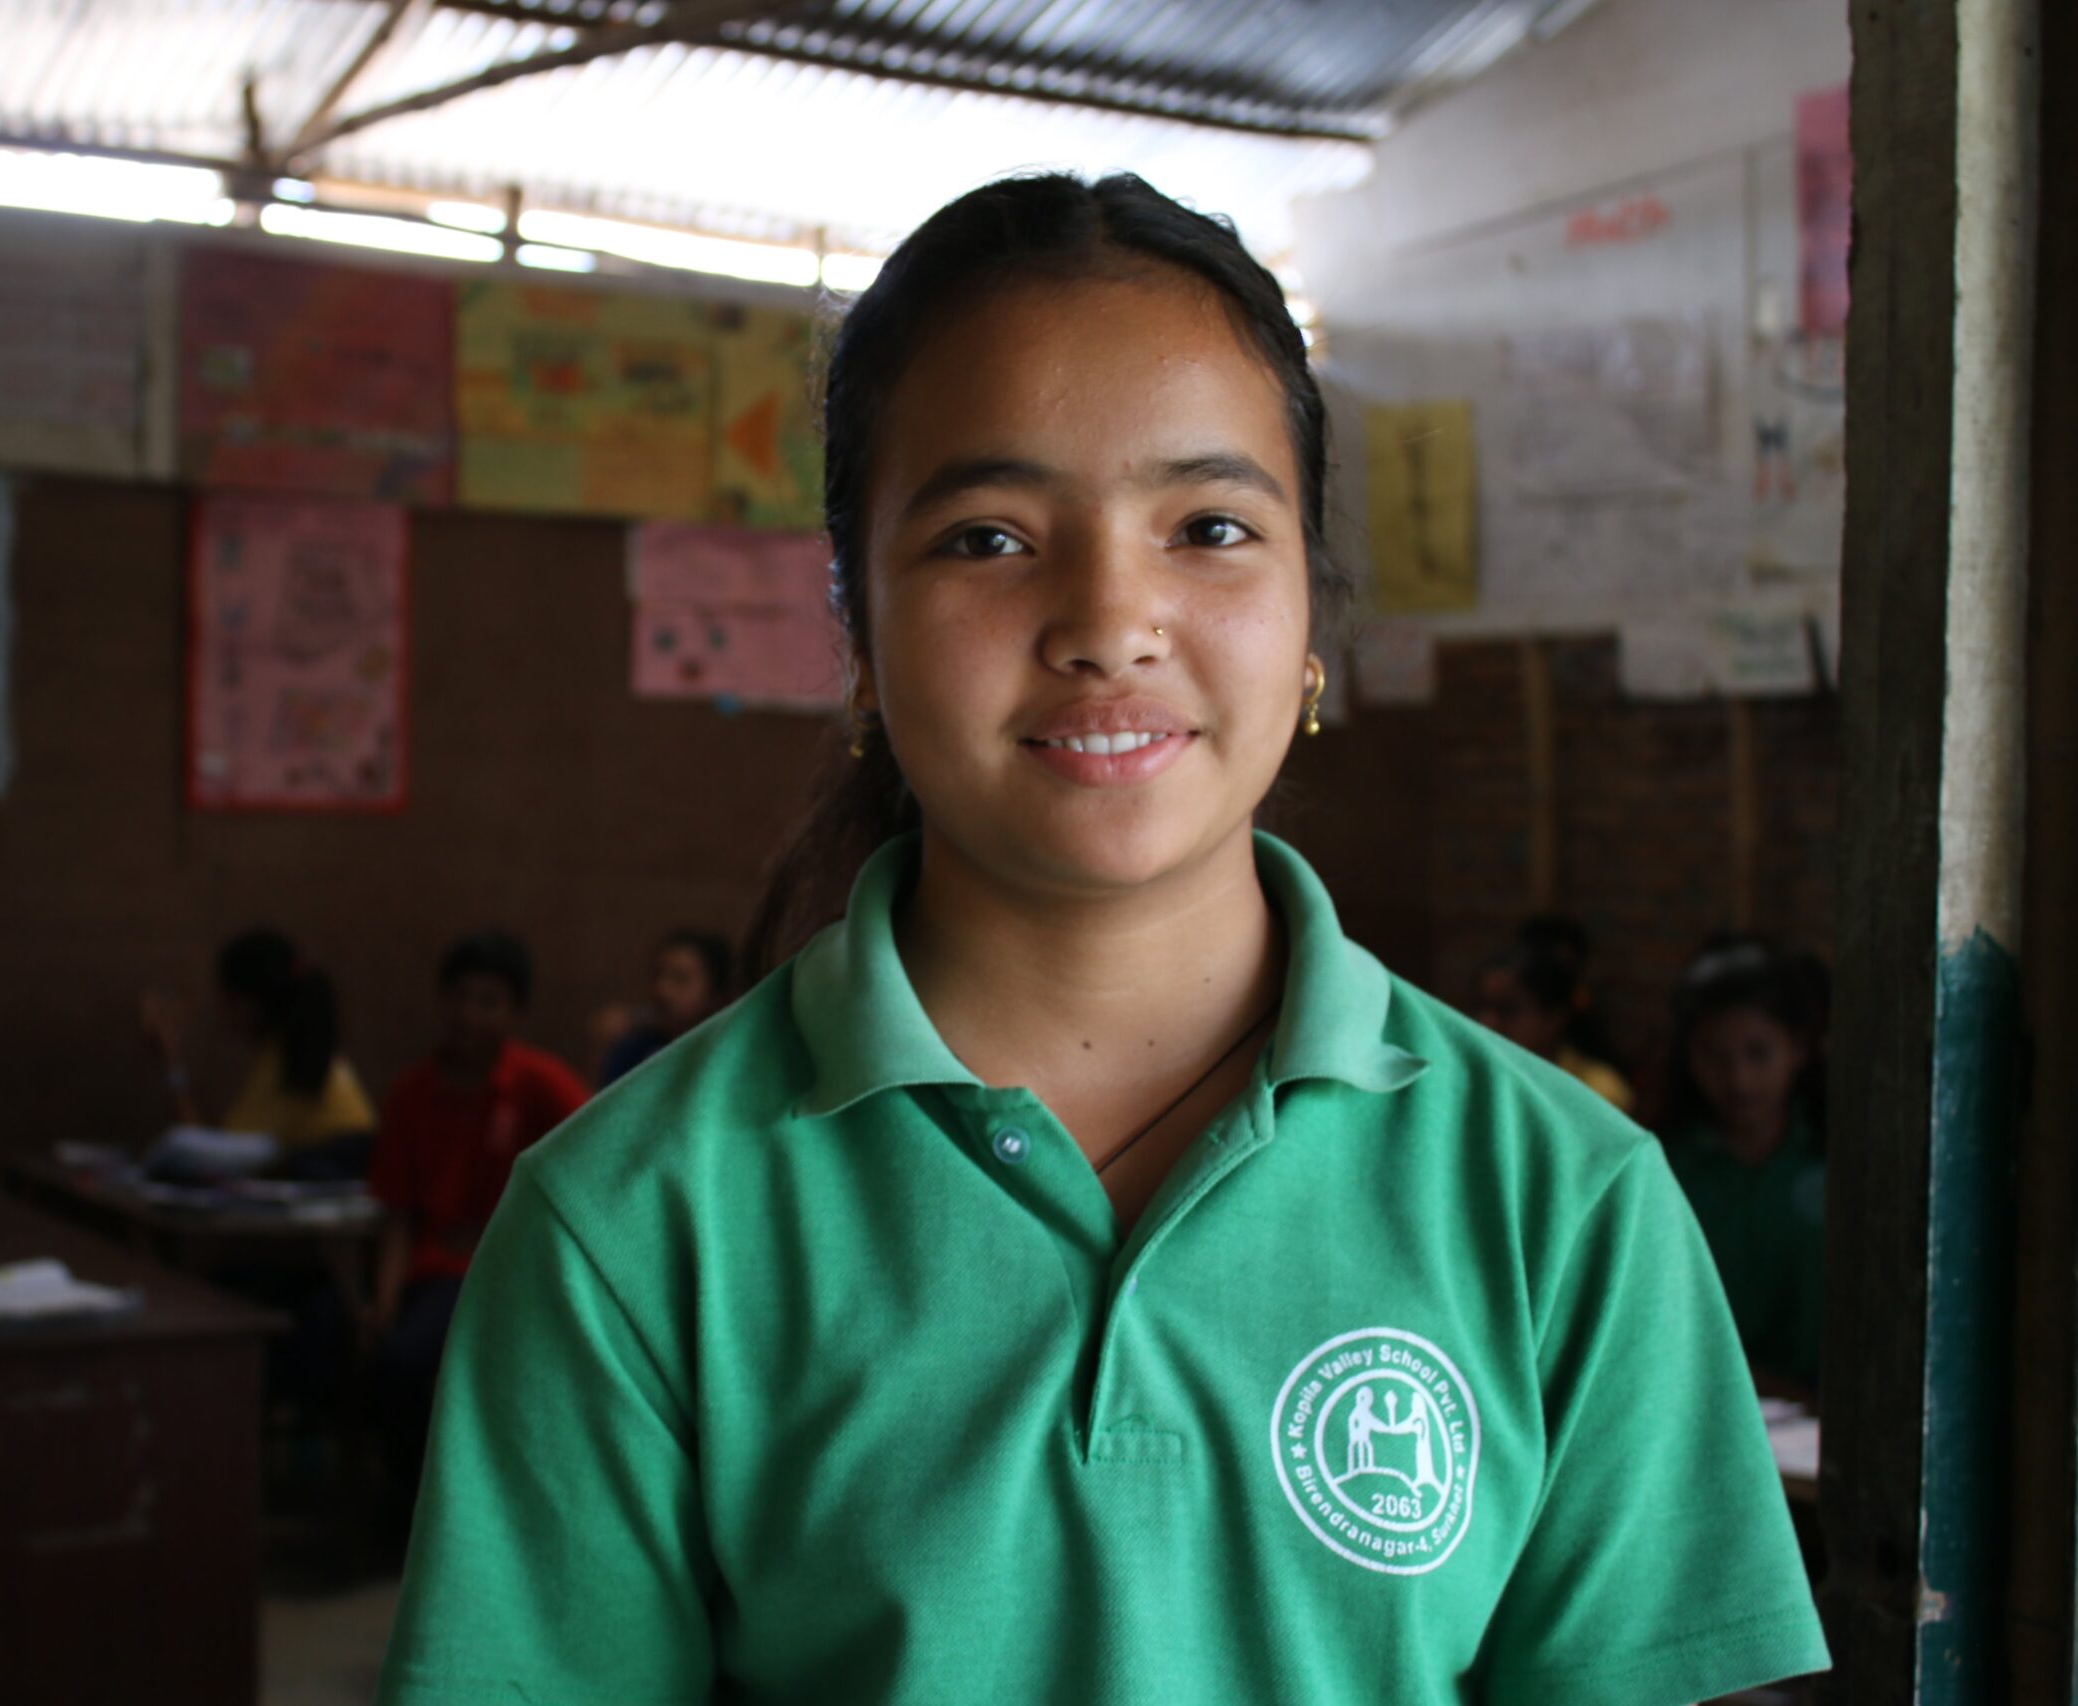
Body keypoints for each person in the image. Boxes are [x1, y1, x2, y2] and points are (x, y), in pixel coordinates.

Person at [376, 175, 1826, 1706]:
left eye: (1208, 526)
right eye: (990, 536)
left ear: (1314, 624)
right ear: (858, 639)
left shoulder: (1561, 1199)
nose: (1111, 618)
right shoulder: (634, 1224)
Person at [363, 930, 588, 1508]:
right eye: (459, 998)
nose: (469, 1015)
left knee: (421, 1363)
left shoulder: (541, 1084)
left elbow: (596, 1168)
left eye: (487, 1002)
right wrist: (384, 1301)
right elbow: (398, 1214)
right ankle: (406, 1503)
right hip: (438, 1270)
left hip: (511, 1271)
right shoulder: (413, 1092)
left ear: (515, 1011)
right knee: (387, 1356)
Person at [1659, 934, 1830, 1400]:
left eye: (1758, 1053)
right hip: (1701, 1402)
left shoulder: (1837, 1163)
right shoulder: (1663, 1170)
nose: (1738, 1079)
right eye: (1714, 1057)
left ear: (1798, 1048)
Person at [142, 928, 375, 1164]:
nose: (220, 1012)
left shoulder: (296, 1063)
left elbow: (211, 1157)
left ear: (246, 1003)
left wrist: (172, 1064)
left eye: (225, 1000)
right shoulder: (290, 1054)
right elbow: (227, 1141)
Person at [1470, 914, 1635, 1113]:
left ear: (1554, 1017)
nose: (1488, 1022)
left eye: (1508, 1009)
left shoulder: (1597, 1091)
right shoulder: (1478, 1080)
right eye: (1483, 1007)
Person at [592, 927, 736, 1085]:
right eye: (657, 975)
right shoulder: (634, 1048)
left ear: (715, 994)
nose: (661, 990)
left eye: (680, 979)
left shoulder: (725, 1055)